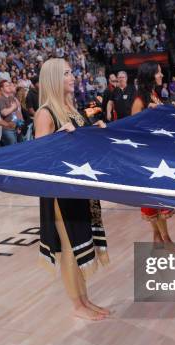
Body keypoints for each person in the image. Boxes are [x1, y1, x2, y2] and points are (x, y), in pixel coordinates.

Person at [33, 58, 110, 321]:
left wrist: (95, 131)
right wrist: (58, 138)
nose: (72, 77)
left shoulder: (73, 108)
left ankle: (85, 299)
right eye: (66, 73)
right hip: (59, 195)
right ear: (54, 78)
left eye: (71, 72)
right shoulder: (45, 113)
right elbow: (39, 156)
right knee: (69, 248)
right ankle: (77, 305)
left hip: (77, 190)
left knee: (80, 244)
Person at [131, 61, 175, 250]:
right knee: (154, 199)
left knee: (157, 198)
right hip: (146, 155)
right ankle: (166, 239)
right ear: (150, 75)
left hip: (157, 152)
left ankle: (158, 237)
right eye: (158, 73)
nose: (161, 75)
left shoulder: (154, 95)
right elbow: (133, 127)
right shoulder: (139, 99)